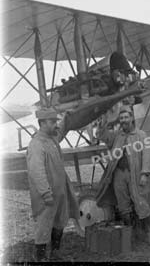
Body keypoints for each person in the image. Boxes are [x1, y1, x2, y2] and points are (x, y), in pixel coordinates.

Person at [95, 107, 150, 247]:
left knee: (141, 201)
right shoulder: (117, 136)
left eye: (126, 117)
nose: (123, 120)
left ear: (132, 119)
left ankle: (148, 235)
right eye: (121, 118)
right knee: (123, 204)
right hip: (118, 173)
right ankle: (131, 235)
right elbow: (104, 136)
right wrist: (102, 125)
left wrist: (145, 174)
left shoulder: (142, 135)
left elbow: (147, 156)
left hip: (135, 174)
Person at [27, 108, 79, 261]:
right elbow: (37, 171)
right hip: (48, 194)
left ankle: (55, 252)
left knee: (60, 220)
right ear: (42, 123)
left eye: (56, 121)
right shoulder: (36, 144)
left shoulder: (52, 139)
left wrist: (65, 120)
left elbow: (60, 129)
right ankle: (40, 257)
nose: (55, 125)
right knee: (44, 224)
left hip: (60, 191)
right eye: (52, 122)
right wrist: (45, 193)